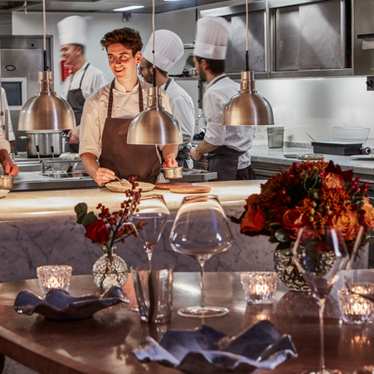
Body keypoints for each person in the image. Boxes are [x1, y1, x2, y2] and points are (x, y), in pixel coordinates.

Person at [79, 27, 178, 186]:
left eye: (123, 57)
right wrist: (96, 172)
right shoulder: (95, 102)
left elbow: (168, 142)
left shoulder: (157, 98)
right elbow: (87, 151)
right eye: (111, 57)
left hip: (151, 187)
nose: (116, 64)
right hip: (112, 187)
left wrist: (170, 156)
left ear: (137, 58)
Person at [190, 17, 255, 181]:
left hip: (226, 169)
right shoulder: (236, 87)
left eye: (195, 64)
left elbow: (214, 140)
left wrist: (197, 151)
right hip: (244, 167)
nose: (195, 69)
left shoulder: (214, 93)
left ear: (204, 63)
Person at [140, 30, 195, 146]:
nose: (140, 73)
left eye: (142, 69)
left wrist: (161, 148)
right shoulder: (154, 93)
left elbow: (185, 135)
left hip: (173, 159)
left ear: (152, 69)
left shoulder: (176, 97)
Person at [58, 15, 106, 145]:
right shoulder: (68, 80)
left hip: (90, 142)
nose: (62, 53)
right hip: (72, 142)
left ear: (78, 50)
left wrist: (79, 131)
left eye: (65, 49)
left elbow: (101, 113)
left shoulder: (95, 75)